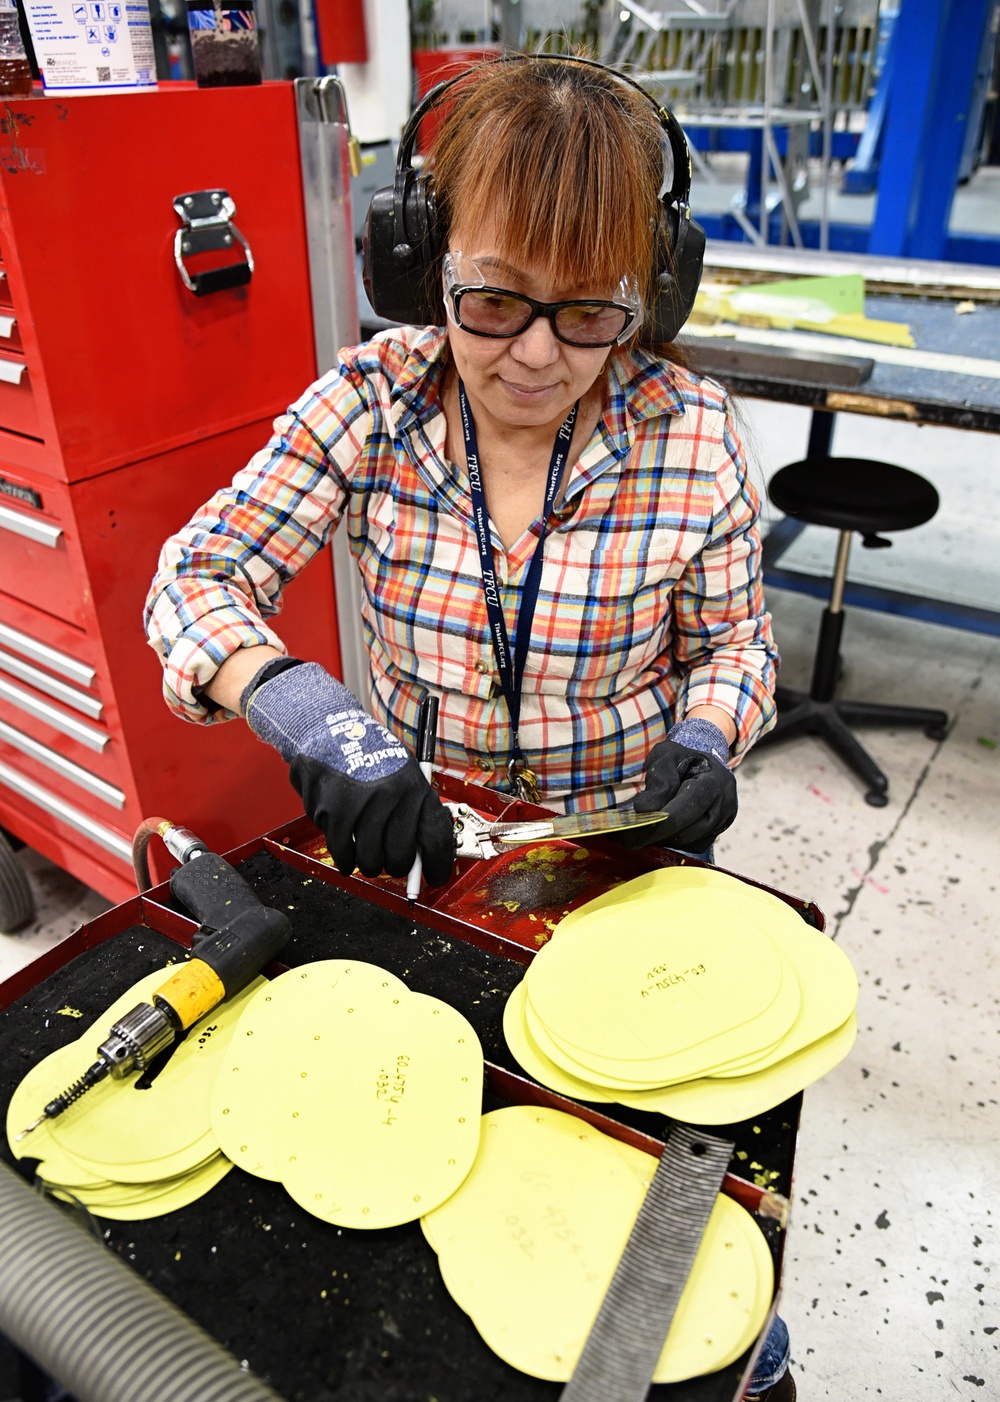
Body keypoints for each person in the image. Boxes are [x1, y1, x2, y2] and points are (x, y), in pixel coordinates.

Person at [144, 52, 788, 1400]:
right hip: (419, 858)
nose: (537, 354)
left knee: (660, 1256)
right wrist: (316, 716)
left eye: (591, 312)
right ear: (421, 262)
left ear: (652, 291)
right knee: (397, 1202)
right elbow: (196, 579)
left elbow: (737, 644)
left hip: (619, 878)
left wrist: (710, 739)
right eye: (491, 301)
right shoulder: (371, 405)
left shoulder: (696, 435)